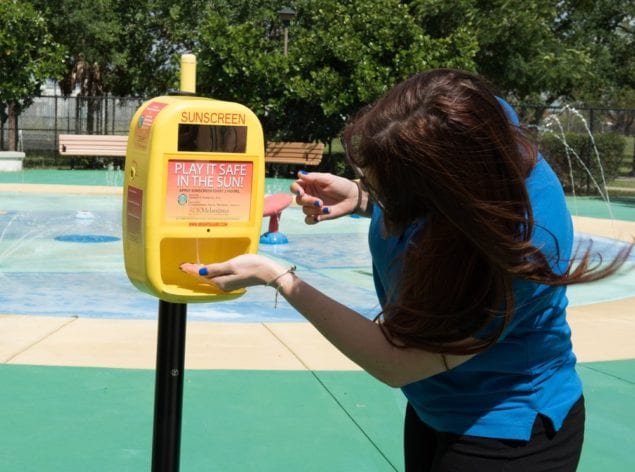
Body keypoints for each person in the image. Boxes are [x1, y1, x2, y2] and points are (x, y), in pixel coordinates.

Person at [181, 69, 632, 471]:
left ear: (444, 189)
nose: (379, 189)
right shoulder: (474, 120)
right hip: (434, 403)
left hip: (507, 430)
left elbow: (396, 362)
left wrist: (277, 275)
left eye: (389, 185)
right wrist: (361, 196)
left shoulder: (521, 248)